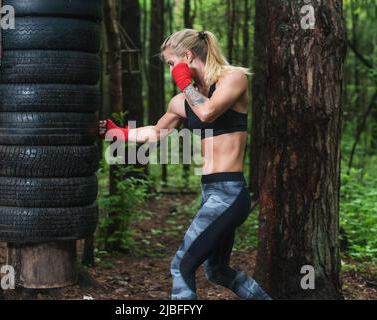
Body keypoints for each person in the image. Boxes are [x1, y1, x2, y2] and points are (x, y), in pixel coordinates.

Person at [99, 29, 271, 300]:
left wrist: (184, 81)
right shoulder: (181, 102)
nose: (170, 70)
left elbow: (208, 111)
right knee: (217, 271)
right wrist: (116, 132)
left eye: (171, 63)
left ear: (187, 57)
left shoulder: (232, 79)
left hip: (230, 194)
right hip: (210, 193)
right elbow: (155, 132)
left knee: (181, 265)